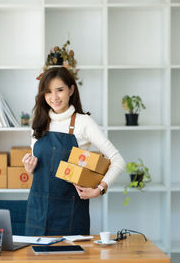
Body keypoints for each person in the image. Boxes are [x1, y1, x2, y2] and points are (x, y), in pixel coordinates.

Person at [22, 67, 125, 236]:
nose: (54, 97)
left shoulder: (84, 123)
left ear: (71, 90)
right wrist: (29, 168)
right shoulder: (39, 123)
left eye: (60, 90)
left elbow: (118, 160)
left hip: (70, 213)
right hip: (37, 211)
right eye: (48, 92)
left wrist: (99, 189)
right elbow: (43, 171)